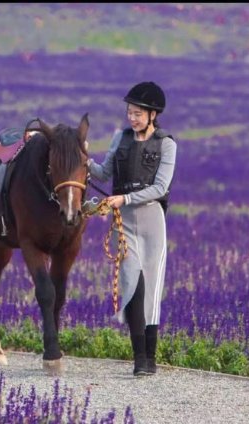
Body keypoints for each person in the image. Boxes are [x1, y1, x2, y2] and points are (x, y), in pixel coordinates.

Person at [88, 81, 177, 377]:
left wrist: (125, 197)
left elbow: (161, 187)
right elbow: (104, 172)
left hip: (152, 221)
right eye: (129, 112)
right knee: (131, 284)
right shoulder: (120, 138)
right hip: (124, 221)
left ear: (153, 114)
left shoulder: (167, 143)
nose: (132, 117)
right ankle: (139, 358)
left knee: (152, 288)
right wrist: (83, 160)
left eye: (138, 113)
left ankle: (151, 358)